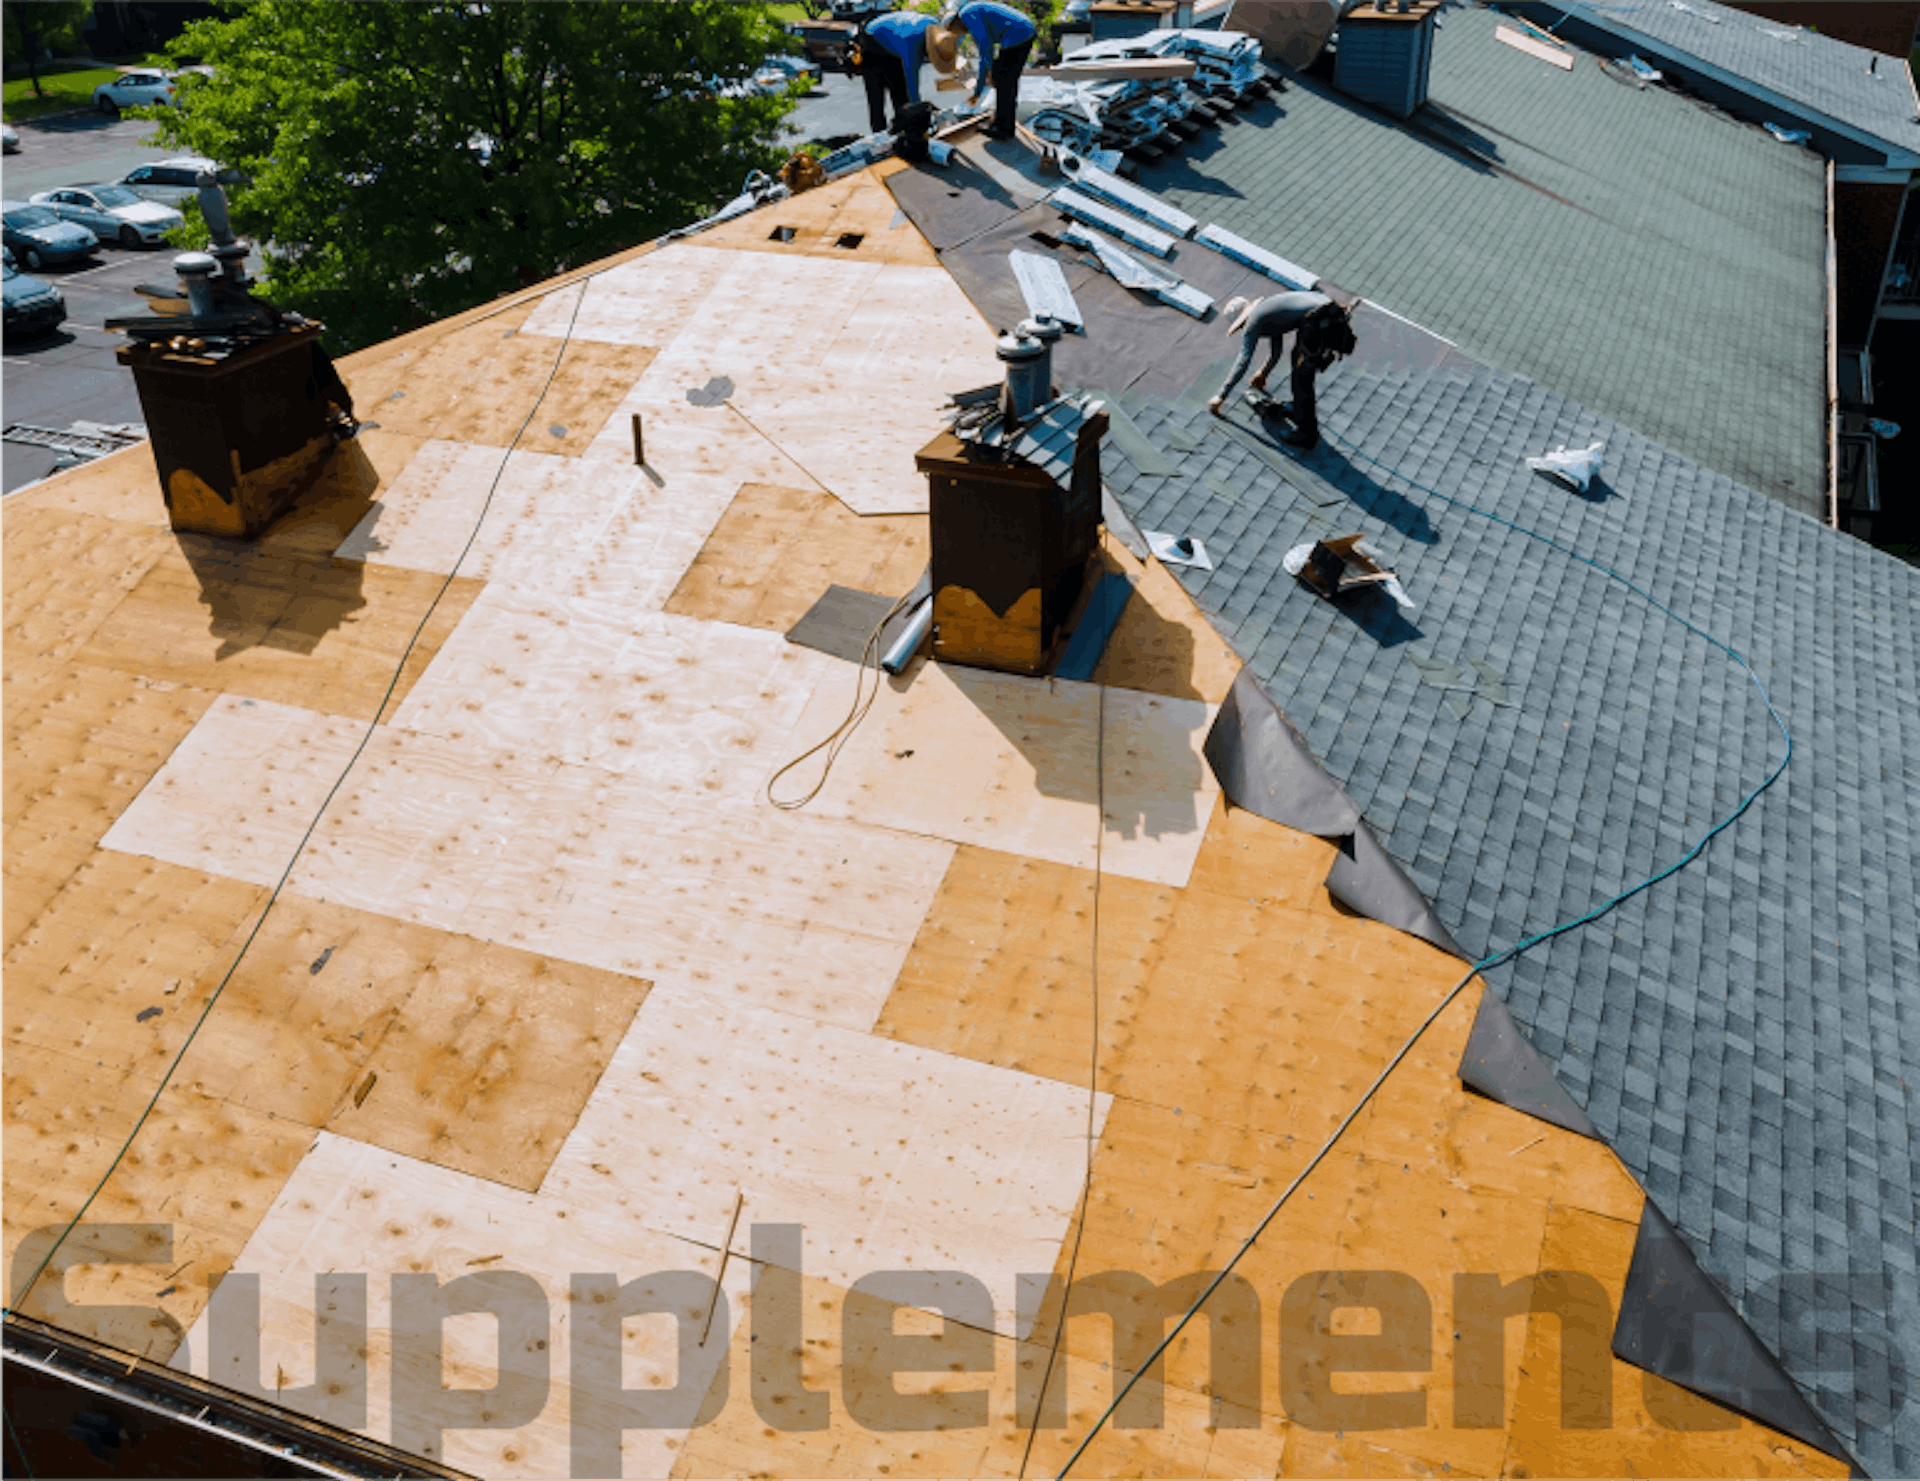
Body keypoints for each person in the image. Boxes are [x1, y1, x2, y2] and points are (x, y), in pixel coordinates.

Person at [1208, 291, 1358, 448]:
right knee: (1298, 363)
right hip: (1329, 313)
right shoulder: (1268, 312)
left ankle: (1307, 435)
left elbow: (1243, 360)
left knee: (1302, 377)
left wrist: (1221, 395)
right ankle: (1299, 411)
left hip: (1319, 319)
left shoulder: (1254, 321)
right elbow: (1276, 351)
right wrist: (1263, 374)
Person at [939, 2, 1037, 141]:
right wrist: (977, 92)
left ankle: (1003, 129)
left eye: (954, 31)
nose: (959, 34)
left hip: (1017, 32)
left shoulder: (967, 15)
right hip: (1025, 30)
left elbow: (986, 47)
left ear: (955, 23)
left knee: (1004, 80)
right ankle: (1003, 123)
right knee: (1006, 79)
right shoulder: (970, 17)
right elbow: (984, 60)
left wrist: (990, 72)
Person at [859, 10, 942, 134]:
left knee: (900, 97)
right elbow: (913, 90)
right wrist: (920, 118)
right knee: (877, 99)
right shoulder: (912, 46)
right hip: (871, 40)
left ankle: (904, 130)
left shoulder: (938, 30)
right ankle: (880, 136)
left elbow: (955, 62)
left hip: (895, 36)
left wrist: (972, 84)